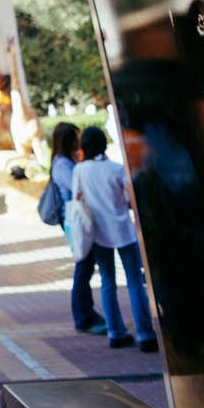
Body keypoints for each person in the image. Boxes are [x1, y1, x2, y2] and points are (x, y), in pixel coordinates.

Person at [71, 126, 158, 352]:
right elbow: (131, 198)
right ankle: (145, 334)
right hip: (123, 230)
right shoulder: (116, 169)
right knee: (134, 282)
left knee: (107, 283)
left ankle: (115, 332)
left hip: (97, 233)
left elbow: (76, 198)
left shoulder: (80, 170)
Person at [49, 122, 103, 334]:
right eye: (76, 138)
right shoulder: (62, 164)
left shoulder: (67, 161)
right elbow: (76, 189)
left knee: (86, 265)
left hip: (78, 216)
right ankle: (82, 315)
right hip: (74, 218)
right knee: (84, 264)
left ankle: (87, 312)